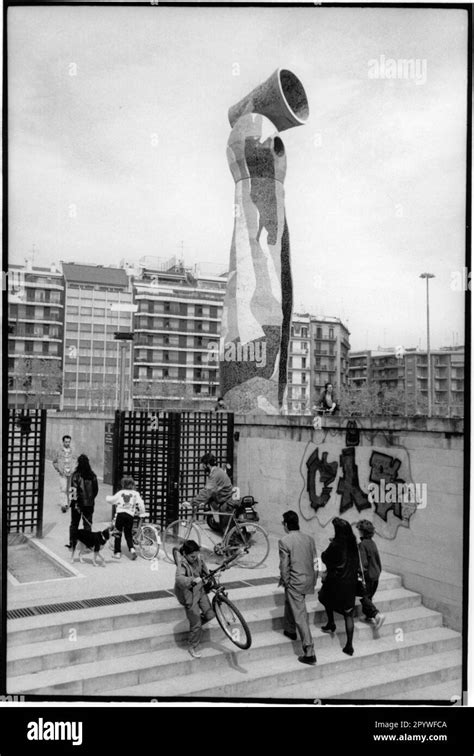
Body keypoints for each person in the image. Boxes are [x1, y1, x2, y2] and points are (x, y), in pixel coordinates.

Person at [278, 510, 318, 666]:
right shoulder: (309, 539)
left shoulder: (284, 540)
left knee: (300, 615)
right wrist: (314, 580)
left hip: (295, 581)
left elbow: (284, 566)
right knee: (291, 601)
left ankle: (309, 651)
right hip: (308, 579)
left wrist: (286, 581)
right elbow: (315, 561)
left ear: (286, 524)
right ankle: (289, 629)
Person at [318, 517, 359, 656]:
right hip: (350, 583)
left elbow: (325, 557)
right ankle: (349, 645)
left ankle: (331, 623)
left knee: (323, 597)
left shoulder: (336, 544)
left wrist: (330, 546)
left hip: (336, 581)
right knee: (348, 613)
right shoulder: (353, 544)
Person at [174, 540, 216, 659]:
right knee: (196, 623)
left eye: (196, 555)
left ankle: (195, 627)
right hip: (188, 595)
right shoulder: (182, 564)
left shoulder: (199, 558)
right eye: (192, 556)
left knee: (210, 614)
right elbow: (179, 579)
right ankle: (192, 645)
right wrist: (191, 580)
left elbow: (205, 571)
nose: (195, 558)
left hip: (200, 590)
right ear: (185, 555)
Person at [191, 453, 234, 534]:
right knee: (224, 529)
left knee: (226, 531)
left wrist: (193, 502)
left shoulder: (215, 474)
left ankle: (234, 544)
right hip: (223, 498)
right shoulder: (217, 471)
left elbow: (207, 491)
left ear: (207, 464)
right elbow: (213, 491)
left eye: (203, 464)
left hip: (225, 502)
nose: (202, 467)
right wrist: (203, 501)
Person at [106, 477, 146, 561]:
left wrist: (107, 498)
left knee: (118, 533)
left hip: (120, 515)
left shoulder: (121, 492)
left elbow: (111, 500)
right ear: (132, 485)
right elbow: (141, 504)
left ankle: (117, 553)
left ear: (123, 484)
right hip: (129, 516)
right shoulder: (136, 494)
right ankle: (132, 549)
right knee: (128, 534)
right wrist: (142, 512)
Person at [356, 520, 385, 630]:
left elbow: (363, 564)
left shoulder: (362, 545)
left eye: (359, 530)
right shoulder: (372, 543)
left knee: (363, 596)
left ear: (362, 532)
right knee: (369, 596)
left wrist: (359, 573)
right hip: (376, 575)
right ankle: (368, 616)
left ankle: (377, 615)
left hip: (368, 576)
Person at [66, 455, 99, 548]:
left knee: (74, 524)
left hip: (77, 504)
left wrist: (74, 502)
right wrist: (91, 499)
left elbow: (73, 490)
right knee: (87, 523)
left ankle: (72, 543)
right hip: (89, 504)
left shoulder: (75, 475)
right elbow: (95, 490)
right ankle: (88, 544)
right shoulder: (93, 476)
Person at [52, 434, 77, 513]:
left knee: (71, 489)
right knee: (63, 488)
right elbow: (54, 462)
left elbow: (76, 462)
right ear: (63, 442)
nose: (67, 443)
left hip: (71, 473)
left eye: (69, 442)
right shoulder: (59, 451)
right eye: (66, 442)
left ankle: (70, 503)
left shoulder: (73, 451)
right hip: (63, 473)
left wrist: (74, 469)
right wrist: (59, 469)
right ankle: (64, 504)